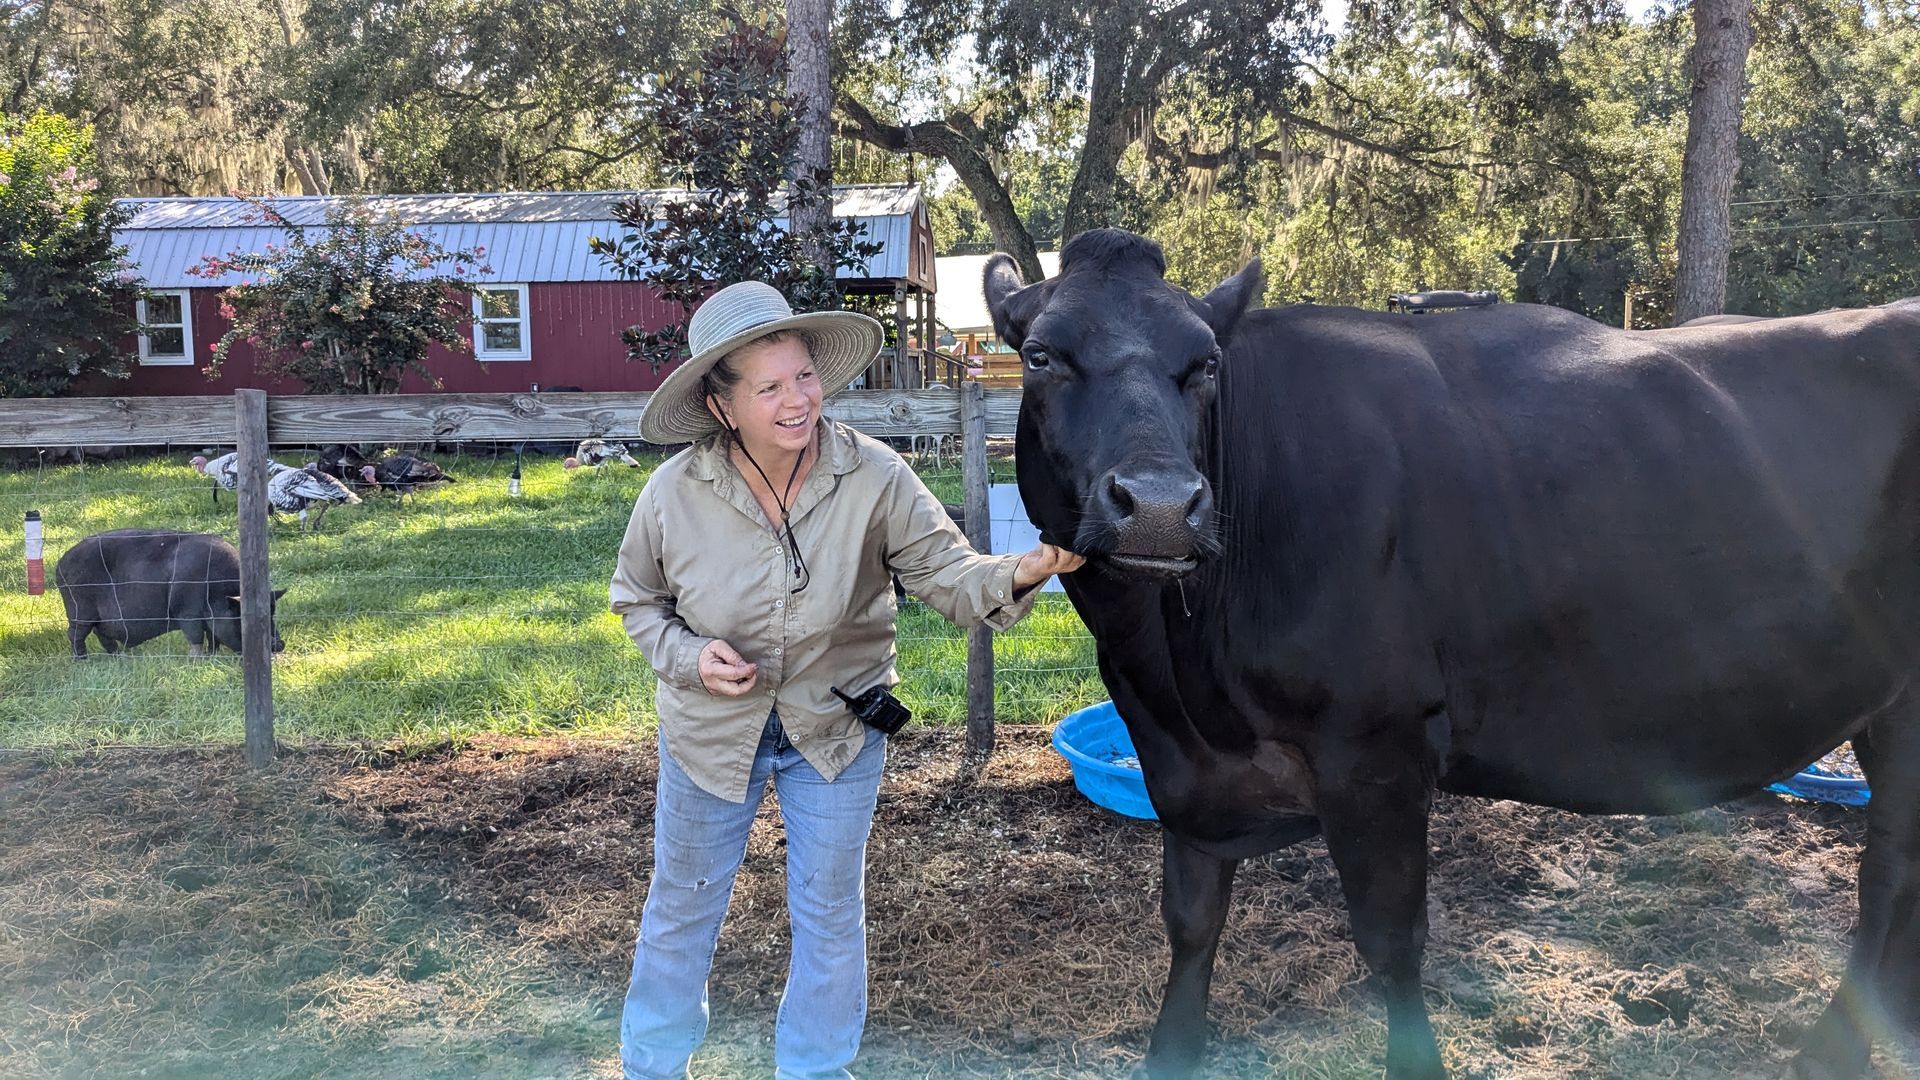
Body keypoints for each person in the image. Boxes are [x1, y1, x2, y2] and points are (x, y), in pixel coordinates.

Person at [610, 281, 1083, 1079]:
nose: (798, 400)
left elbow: (950, 575)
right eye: (769, 388)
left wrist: (1024, 570)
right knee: (682, 909)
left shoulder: (873, 475)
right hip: (707, 737)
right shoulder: (673, 496)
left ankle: (818, 1069)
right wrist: (691, 658)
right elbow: (638, 602)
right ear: (722, 405)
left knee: (830, 916)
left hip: (834, 732)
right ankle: (652, 1066)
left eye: (804, 376)